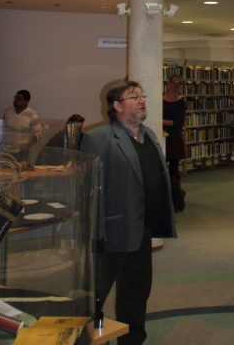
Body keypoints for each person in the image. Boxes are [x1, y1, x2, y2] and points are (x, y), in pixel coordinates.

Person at [80, 81, 176, 345]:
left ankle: (132, 341)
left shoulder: (149, 135)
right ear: (117, 106)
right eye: (134, 97)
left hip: (141, 231)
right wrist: (95, 234)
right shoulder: (98, 139)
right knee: (92, 297)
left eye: (142, 96)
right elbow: (87, 193)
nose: (142, 100)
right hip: (109, 235)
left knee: (136, 293)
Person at [162, 75, 187, 212]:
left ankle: (178, 197)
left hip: (175, 139)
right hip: (161, 138)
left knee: (174, 170)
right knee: (162, 169)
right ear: (169, 83)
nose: (176, 85)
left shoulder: (181, 102)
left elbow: (179, 123)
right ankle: (170, 195)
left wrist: (161, 120)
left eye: (179, 83)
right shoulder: (160, 99)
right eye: (174, 82)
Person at [3, 90, 42, 161]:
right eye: (15, 97)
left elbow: (38, 133)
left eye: (19, 99)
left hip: (21, 153)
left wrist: (28, 146)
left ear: (26, 102)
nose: (15, 100)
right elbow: (3, 129)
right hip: (6, 151)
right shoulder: (8, 111)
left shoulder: (32, 115)